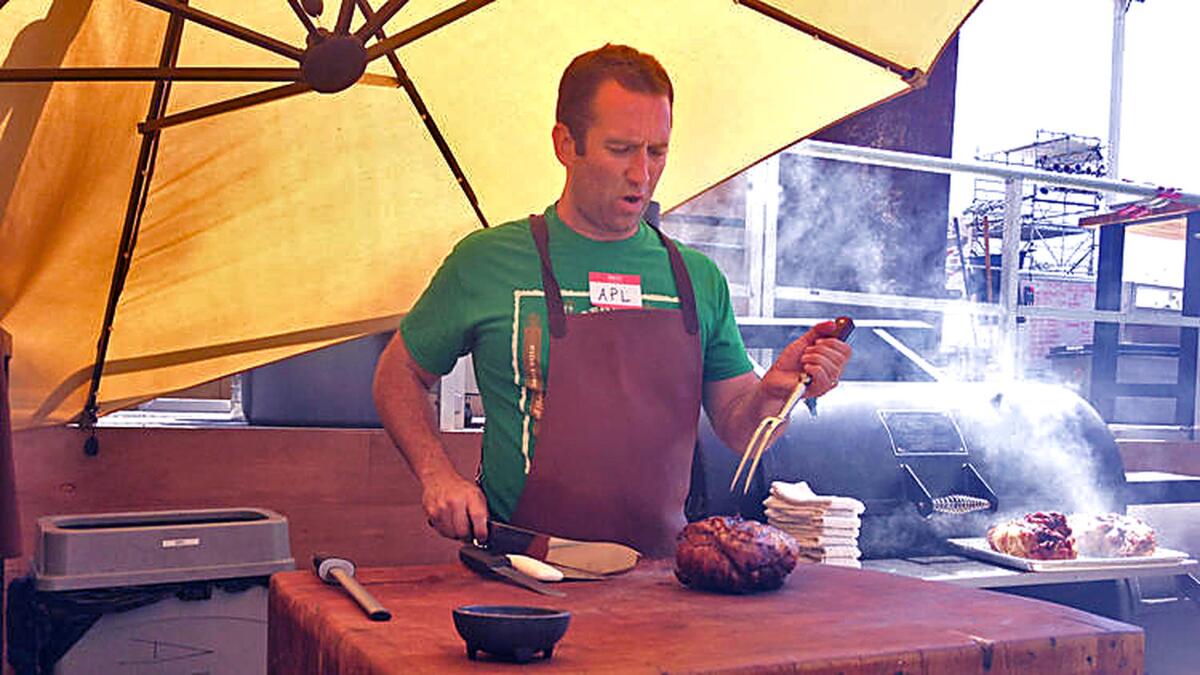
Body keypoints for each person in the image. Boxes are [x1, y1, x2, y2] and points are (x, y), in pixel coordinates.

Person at [373, 44, 851, 557]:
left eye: (657, 151)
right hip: (521, 572)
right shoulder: (487, 262)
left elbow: (738, 426)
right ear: (565, 144)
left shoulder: (696, 279)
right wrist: (438, 476)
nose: (641, 173)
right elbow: (397, 373)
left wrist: (777, 392)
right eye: (621, 149)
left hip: (662, 580)